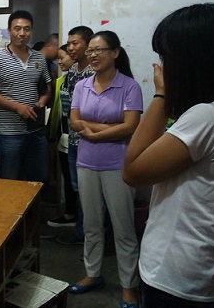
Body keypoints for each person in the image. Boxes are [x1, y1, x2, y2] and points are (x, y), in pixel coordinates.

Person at [123, 3, 214, 308]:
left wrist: (161, 95)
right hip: (206, 268)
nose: (162, 67)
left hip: (179, 274)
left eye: (166, 58)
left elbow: (133, 171)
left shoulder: (208, 117)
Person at [67, 31, 142, 308]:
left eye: (99, 50)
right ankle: (92, 274)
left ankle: (129, 286)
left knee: (123, 228)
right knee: (92, 224)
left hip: (117, 164)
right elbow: (74, 120)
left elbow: (131, 126)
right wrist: (109, 129)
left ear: (115, 53)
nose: (93, 55)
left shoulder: (129, 86)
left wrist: (94, 133)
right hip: (86, 162)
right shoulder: (82, 85)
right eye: (91, 51)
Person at [0, 10, 52, 183]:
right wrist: (16, 107)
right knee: (11, 182)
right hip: (9, 133)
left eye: (27, 29)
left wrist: (43, 100)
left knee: (38, 180)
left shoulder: (39, 58)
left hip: (36, 131)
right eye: (17, 28)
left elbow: (47, 87)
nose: (22, 33)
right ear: (9, 31)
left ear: (31, 31)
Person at [54, 25, 95, 244]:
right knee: (78, 188)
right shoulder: (72, 73)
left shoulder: (95, 73)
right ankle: (82, 232)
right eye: (68, 43)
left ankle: (90, 235)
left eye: (75, 43)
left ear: (88, 45)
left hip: (91, 140)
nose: (70, 48)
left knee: (91, 191)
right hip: (72, 139)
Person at [47, 44, 77, 228]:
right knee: (67, 177)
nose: (59, 61)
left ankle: (77, 216)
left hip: (78, 139)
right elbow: (58, 111)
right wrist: (53, 134)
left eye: (62, 57)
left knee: (77, 181)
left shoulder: (84, 80)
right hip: (63, 137)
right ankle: (70, 213)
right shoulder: (62, 81)